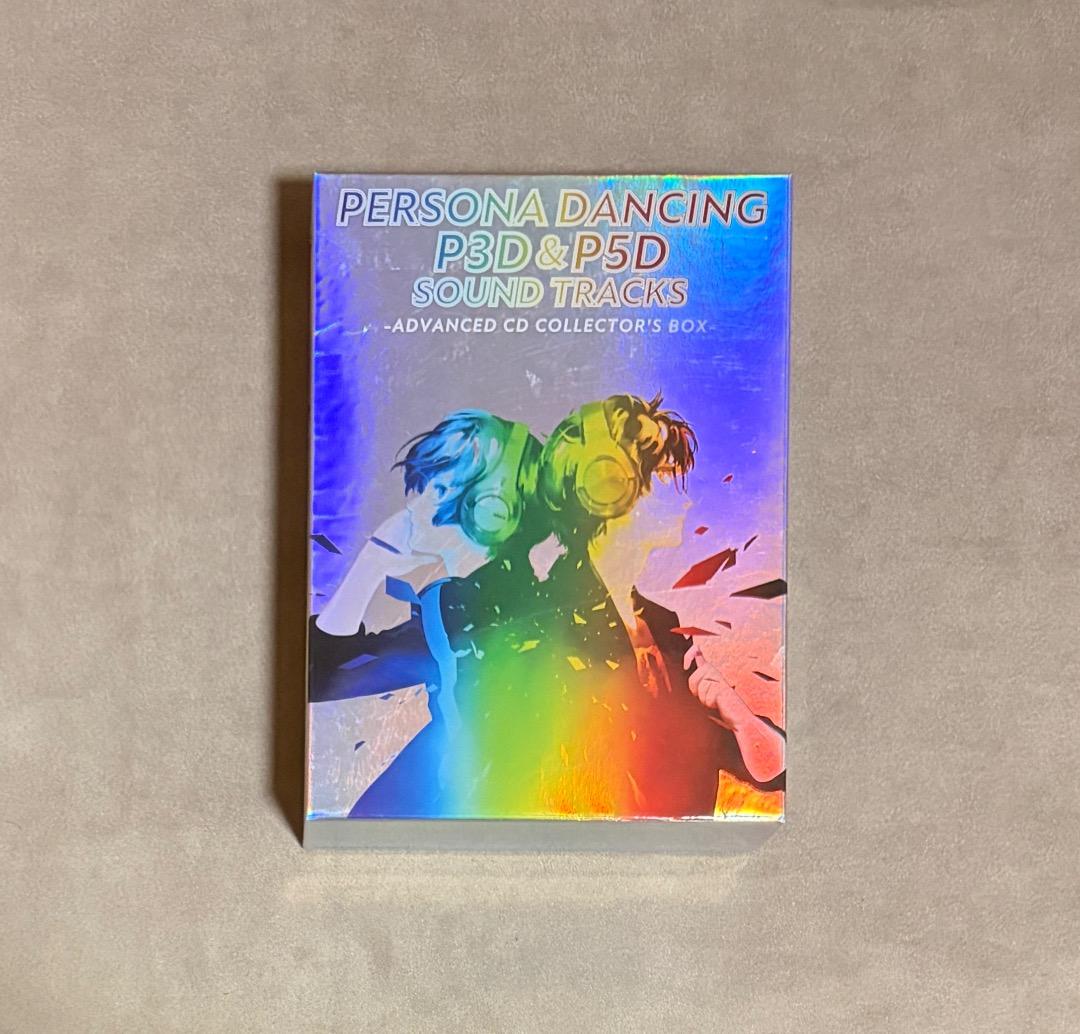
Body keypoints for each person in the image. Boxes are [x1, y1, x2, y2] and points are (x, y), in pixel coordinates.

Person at [529, 392, 786, 818]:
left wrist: (741, 719)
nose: (686, 498)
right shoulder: (547, 625)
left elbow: (768, 771)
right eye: (665, 475)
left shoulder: (665, 625)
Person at [308, 410, 547, 818]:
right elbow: (317, 678)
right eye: (426, 485)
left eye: (441, 488)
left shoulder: (539, 616)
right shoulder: (450, 608)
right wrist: (369, 566)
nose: (414, 509)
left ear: (495, 509)